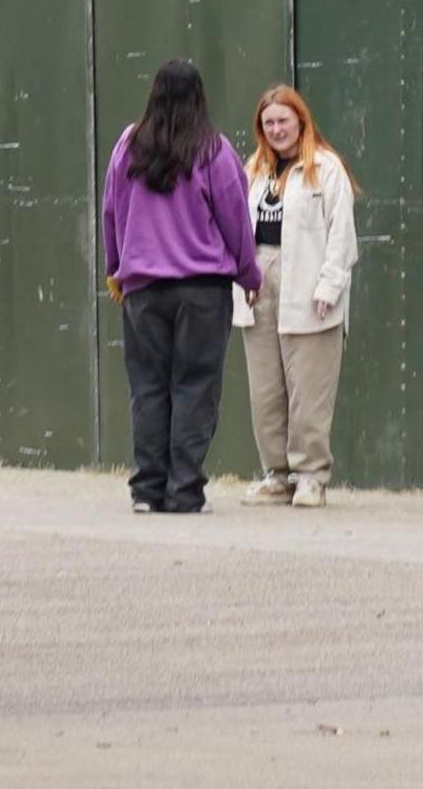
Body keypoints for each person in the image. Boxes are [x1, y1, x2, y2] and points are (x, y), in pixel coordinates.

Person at [99, 58, 259, 513]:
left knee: (147, 387)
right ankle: (184, 490)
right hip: (202, 289)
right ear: (199, 97)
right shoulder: (214, 149)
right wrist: (249, 274)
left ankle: (147, 491)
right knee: (194, 386)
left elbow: (112, 212)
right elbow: (235, 218)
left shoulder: (128, 147)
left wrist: (117, 269)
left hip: (143, 288)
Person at [238, 84, 359, 507]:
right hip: (260, 285)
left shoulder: (325, 169)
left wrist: (329, 285)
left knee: (309, 388)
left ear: (301, 121)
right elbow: (237, 230)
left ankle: (310, 476)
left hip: (308, 287)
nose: (276, 129)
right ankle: (277, 475)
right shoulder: (254, 170)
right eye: (268, 123)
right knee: (266, 389)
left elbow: (341, 236)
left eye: (283, 121)